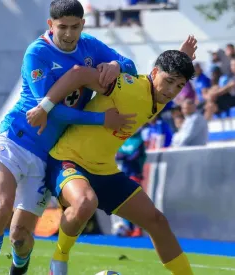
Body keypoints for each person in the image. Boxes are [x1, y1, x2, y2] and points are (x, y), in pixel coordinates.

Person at [0, 1, 138, 274]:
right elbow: (49, 112)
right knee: (2, 206)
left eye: (75, 27)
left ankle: (19, 263)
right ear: (50, 25)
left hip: (45, 156)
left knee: (20, 237)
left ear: (82, 25)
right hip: (15, 138)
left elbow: (130, 66)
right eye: (62, 27)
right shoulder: (36, 53)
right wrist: (101, 119)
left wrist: (114, 64)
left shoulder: (90, 46)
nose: (68, 33)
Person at [26, 47, 197, 275]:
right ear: (154, 72)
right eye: (169, 82)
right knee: (86, 203)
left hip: (104, 170)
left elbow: (166, 73)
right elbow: (78, 74)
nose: (172, 91)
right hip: (67, 160)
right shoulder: (127, 86)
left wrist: (180, 58)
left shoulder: (161, 96)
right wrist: (44, 107)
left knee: (157, 221)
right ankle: (59, 260)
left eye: (179, 86)